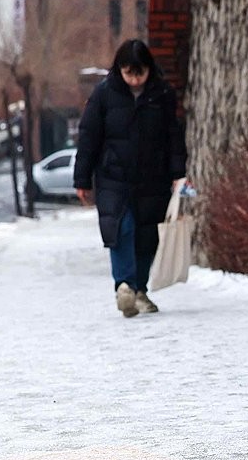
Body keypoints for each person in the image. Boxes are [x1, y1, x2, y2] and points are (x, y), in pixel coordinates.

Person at [74, 39, 187, 317]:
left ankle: (139, 290)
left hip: (153, 178)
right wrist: (82, 180)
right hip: (114, 177)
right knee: (120, 231)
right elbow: (88, 137)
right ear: (119, 70)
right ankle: (124, 286)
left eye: (140, 73)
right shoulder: (103, 95)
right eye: (129, 73)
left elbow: (174, 137)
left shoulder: (162, 95)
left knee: (147, 236)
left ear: (149, 70)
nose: (135, 80)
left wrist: (178, 175)